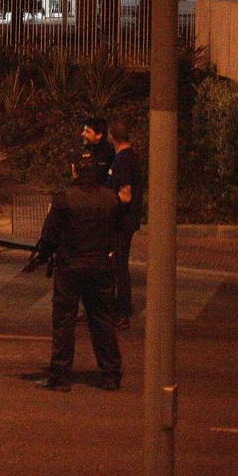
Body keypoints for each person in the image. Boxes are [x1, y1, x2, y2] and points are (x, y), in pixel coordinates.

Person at [27, 149, 124, 392]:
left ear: (74, 170)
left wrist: (44, 254)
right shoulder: (111, 198)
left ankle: (60, 376)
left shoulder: (64, 199)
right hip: (100, 265)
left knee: (64, 322)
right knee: (102, 321)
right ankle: (111, 374)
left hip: (71, 267)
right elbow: (119, 231)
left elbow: (49, 234)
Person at [106, 120, 143, 329]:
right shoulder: (128, 157)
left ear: (112, 137)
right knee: (118, 263)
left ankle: (122, 311)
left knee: (119, 263)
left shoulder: (123, 160)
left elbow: (125, 194)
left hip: (122, 220)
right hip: (126, 220)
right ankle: (119, 308)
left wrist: (108, 203)